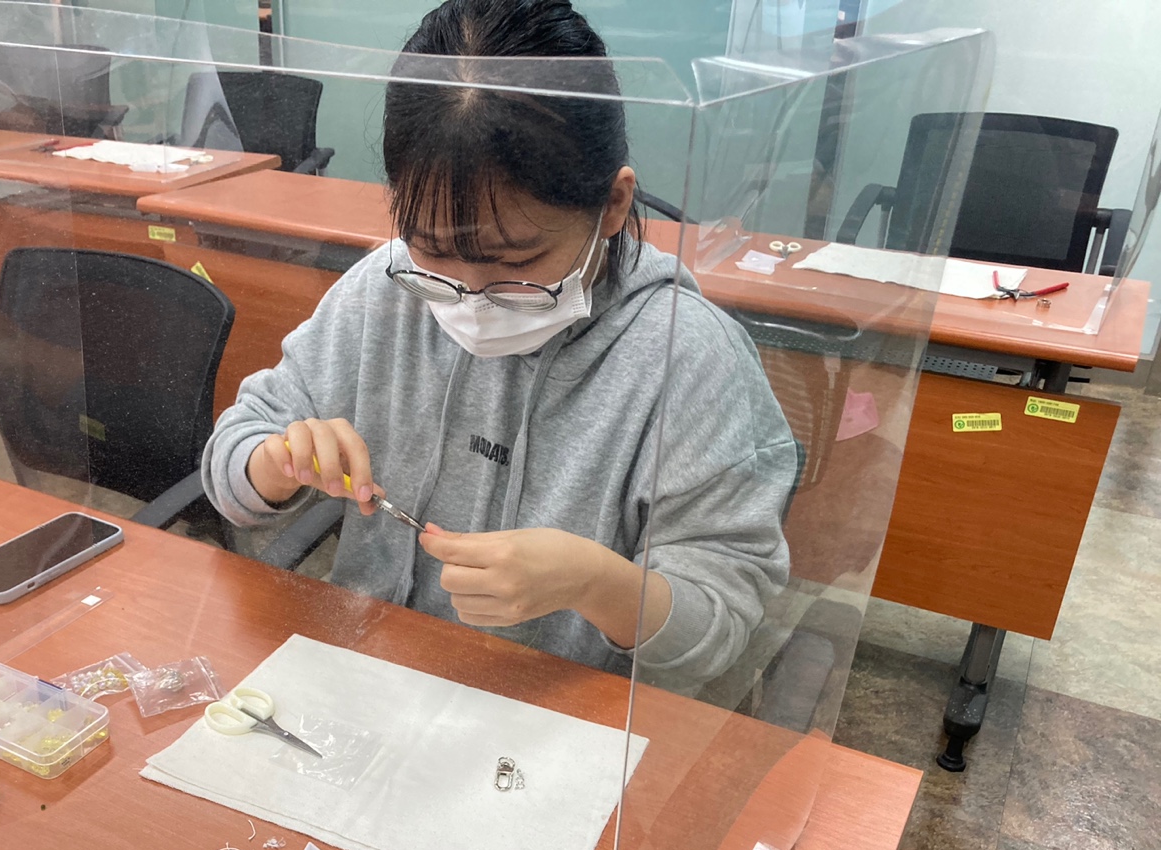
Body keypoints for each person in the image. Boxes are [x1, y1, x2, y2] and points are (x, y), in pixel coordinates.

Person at [202, 0, 796, 683]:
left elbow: (721, 625)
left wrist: (596, 583)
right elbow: (231, 458)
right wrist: (276, 464)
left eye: (516, 263)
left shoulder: (686, 358)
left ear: (613, 204)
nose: (472, 295)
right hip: (372, 678)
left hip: (564, 707)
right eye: (433, 252)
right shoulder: (384, 289)